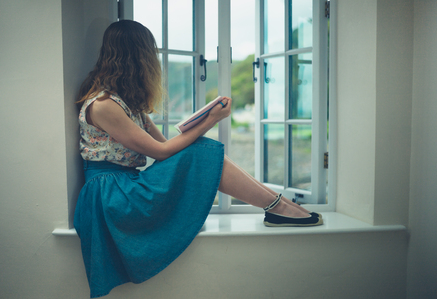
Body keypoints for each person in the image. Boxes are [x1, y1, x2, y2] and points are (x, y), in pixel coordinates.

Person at [74, 20, 322, 298]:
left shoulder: (127, 104)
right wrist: (211, 121)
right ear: (137, 57)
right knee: (201, 150)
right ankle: (278, 207)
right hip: (111, 195)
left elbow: (166, 145)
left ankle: (279, 204)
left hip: (125, 186)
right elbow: (162, 152)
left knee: (200, 150)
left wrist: (200, 120)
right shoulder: (104, 105)